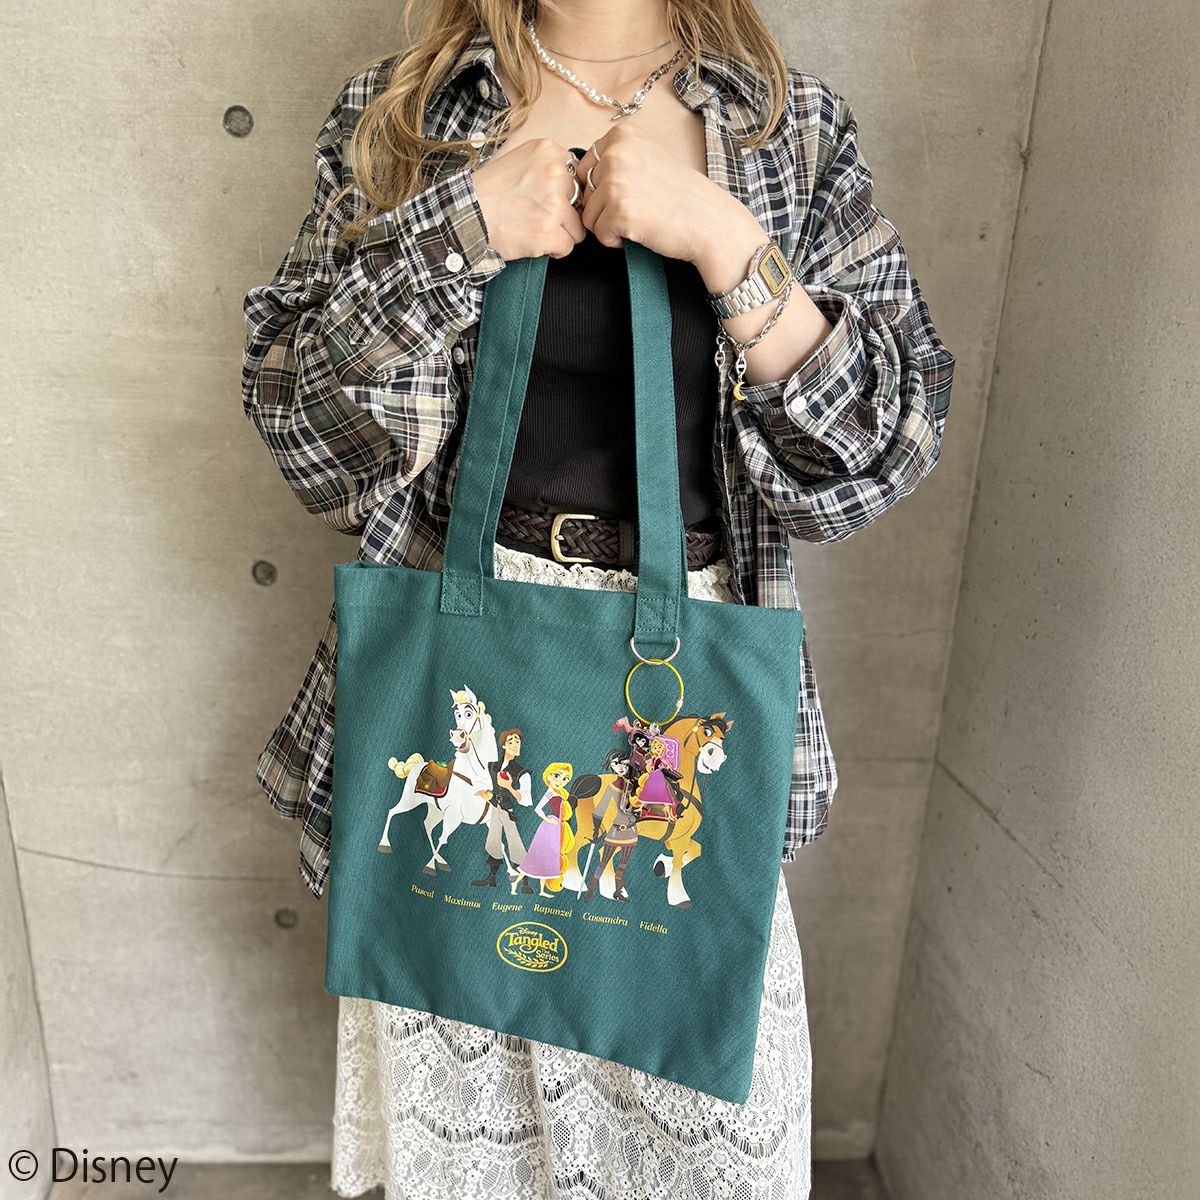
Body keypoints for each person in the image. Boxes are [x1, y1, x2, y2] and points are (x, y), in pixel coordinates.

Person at [240, 2, 956, 1196]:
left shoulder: (788, 128)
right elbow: (305, 433)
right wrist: (459, 233)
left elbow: (884, 447)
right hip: (462, 659)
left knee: (710, 1128)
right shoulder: (407, 112)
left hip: (678, 682)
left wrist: (727, 242)